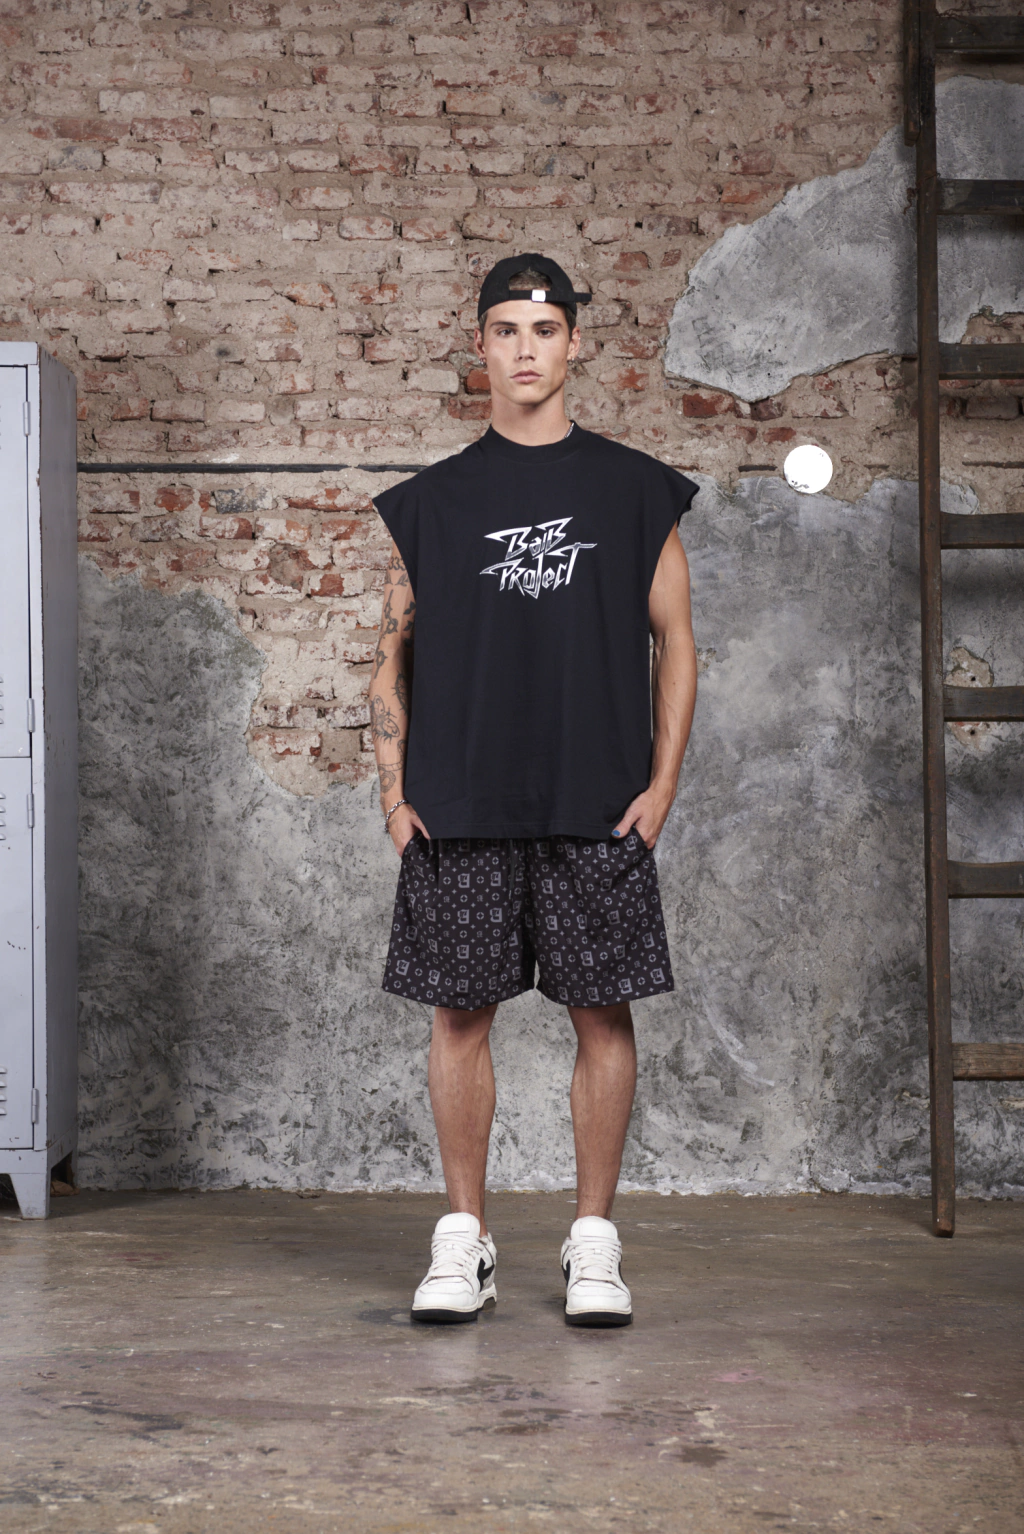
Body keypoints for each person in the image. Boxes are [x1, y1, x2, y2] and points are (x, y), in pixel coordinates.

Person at [369, 253, 698, 1328]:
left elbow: (677, 641)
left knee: (601, 1015)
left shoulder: (634, 489)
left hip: (597, 801)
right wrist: (393, 792)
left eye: (544, 330)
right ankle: (462, 1241)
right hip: (460, 801)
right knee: (460, 1017)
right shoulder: (432, 503)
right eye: (506, 330)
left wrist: (661, 785)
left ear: (574, 344)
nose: (525, 349)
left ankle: (593, 1244)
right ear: (479, 346)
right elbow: (388, 658)